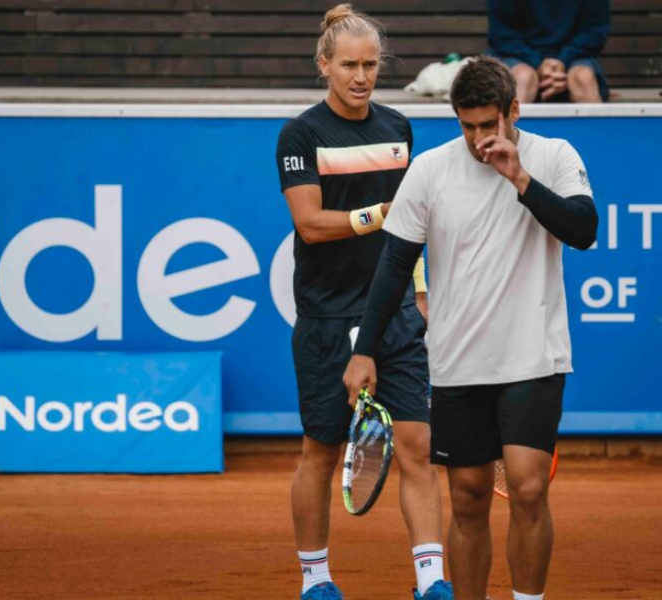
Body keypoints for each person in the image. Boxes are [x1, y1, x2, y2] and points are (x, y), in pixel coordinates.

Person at [343, 57, 598, 600]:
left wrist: (518, 176)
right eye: (467, 126)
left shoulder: (554, 156)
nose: (479, 137)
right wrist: (365, 351)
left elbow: (583, 230)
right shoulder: (431, 170)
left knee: (528, 487)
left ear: (513, 111)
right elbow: (393, 266)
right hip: (458, 358)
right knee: (468, 496)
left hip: (535, 354)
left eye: (489, 124)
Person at [275, 5, 450, 600]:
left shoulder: (398, 127)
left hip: (395, 311)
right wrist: (378, 214)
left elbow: (413, 229)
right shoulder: (300, 134)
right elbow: (309, 224)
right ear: (324, 65)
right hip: (327, 317)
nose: (361, 76)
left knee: (419, 446)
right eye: (348, 64)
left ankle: (432, 581)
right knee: (320, 452)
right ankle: (316, 579)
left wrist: (420, 291)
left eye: (371, 65)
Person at [486, 0, 611, 103]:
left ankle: (601, 133)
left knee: (583, 79)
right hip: (519, 56)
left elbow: (595, 31)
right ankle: (509, 133)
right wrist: (537, 64)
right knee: (523, 78)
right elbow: (501, 33)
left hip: (573, 57)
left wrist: (563, 61)